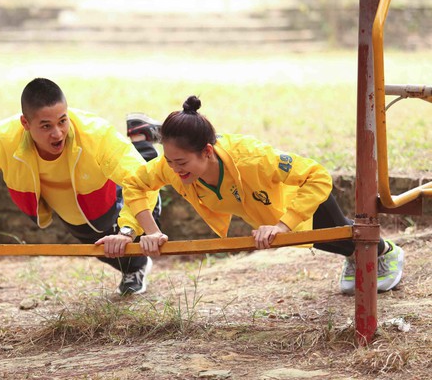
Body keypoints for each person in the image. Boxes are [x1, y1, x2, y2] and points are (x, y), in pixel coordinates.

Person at [115, 95, 405, 295]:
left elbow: (317, 176)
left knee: (334, 235)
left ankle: (386, 252)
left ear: (207, 151)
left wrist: (282, 225)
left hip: (301, 199)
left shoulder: (251, 158)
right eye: (169, 161)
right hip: (268, 212)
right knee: (318, 241)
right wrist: (151, 232)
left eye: (181, 163)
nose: (175, 170)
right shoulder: (172, 166)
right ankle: (356, 256)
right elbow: (135, 183)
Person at [0, 78, 161, 296]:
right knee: (99, 243)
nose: (57, 133)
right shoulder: (3, 139)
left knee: (144, 225)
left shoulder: (96, 133)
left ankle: (141, 140)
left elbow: (141, 181)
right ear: (25, 123)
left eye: (63, 121)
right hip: (74, 210)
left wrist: (127, 231)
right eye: (46, 126)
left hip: (111, 191)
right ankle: (139, 137)